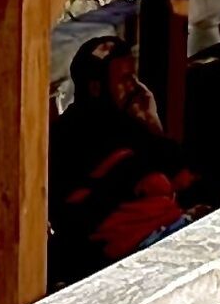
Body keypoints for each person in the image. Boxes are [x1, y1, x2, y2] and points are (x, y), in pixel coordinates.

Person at [53, 36, 189, 270]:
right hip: (134, 252)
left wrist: (151, 122)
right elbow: (165, 182)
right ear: (96, 87)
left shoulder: (128, 121)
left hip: (167, 232)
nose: (134, 87)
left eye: (134, 77)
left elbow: (181, 174)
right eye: (125, 79)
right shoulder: (73, 136)